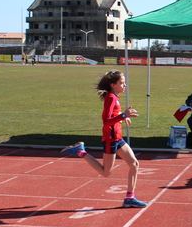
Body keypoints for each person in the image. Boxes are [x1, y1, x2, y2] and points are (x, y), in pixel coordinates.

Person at [60, 70, 147, 208]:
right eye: (122, 83)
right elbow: (106, 120)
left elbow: (113, 114)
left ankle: (130, 198)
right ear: (113, 85)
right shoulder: (111, 98)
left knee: (134, 164)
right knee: (106, 172)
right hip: (111, 139)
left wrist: (124, 117)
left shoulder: (114, 96)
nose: (125, 86)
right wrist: (123, 116)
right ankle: (80, 152)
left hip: (117, 138)